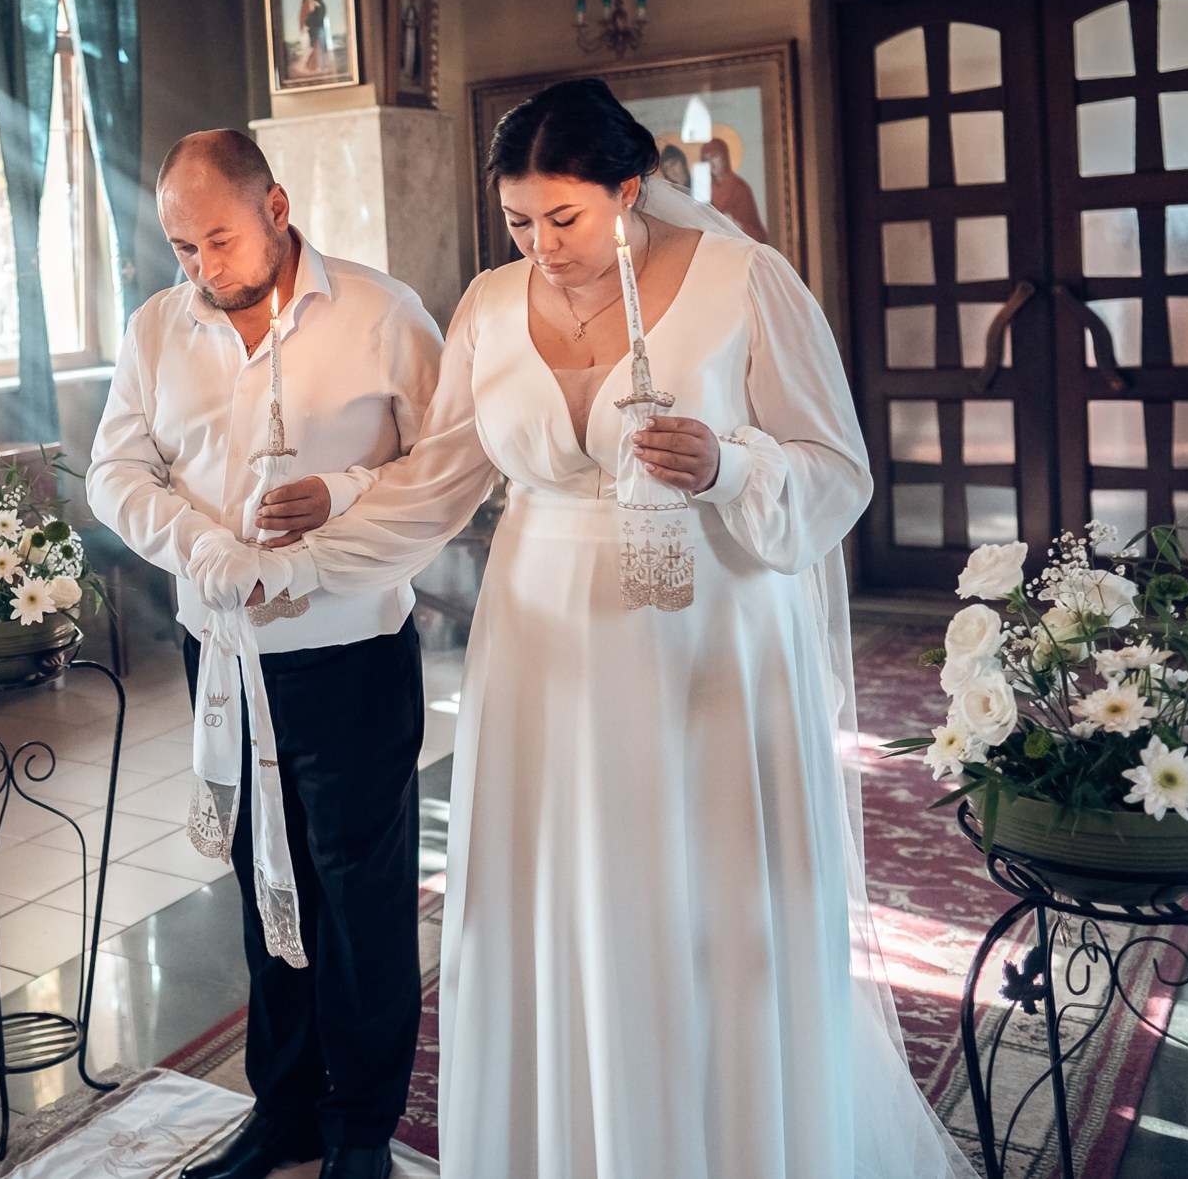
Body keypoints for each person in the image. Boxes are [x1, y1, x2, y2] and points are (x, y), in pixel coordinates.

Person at [256, 78, 969, 1178]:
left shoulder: (744, 280)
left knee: (698, 893)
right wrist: (337, 507)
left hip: (709, 632)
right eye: (518, 221)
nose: (540, 245)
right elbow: (443, 472)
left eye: (564, 217)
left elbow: (838, 469)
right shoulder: (490, 305)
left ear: (629, 188)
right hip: (541, 641)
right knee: (560, 905)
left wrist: (729, 463)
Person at [87, 131, 443, 1179]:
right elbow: (116, 467)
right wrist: (198, 546)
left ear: (277, 205)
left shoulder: (382, 313)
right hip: (223, 663)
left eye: (218, 238)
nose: (200, 265)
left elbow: (447, 469)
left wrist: (343, 498)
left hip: (349, 656)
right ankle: (282, 1109)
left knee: (356, 895)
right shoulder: (159, 325)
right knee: (259, 884)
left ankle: (363, 1128)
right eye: (181, 245)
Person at [699, 135, 770, 244]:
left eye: (714, 156)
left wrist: (736, 224)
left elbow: (756, 232)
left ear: (724, 157)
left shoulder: (740, 188)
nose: (711, 163)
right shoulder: (705, 190)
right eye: (706, 159)